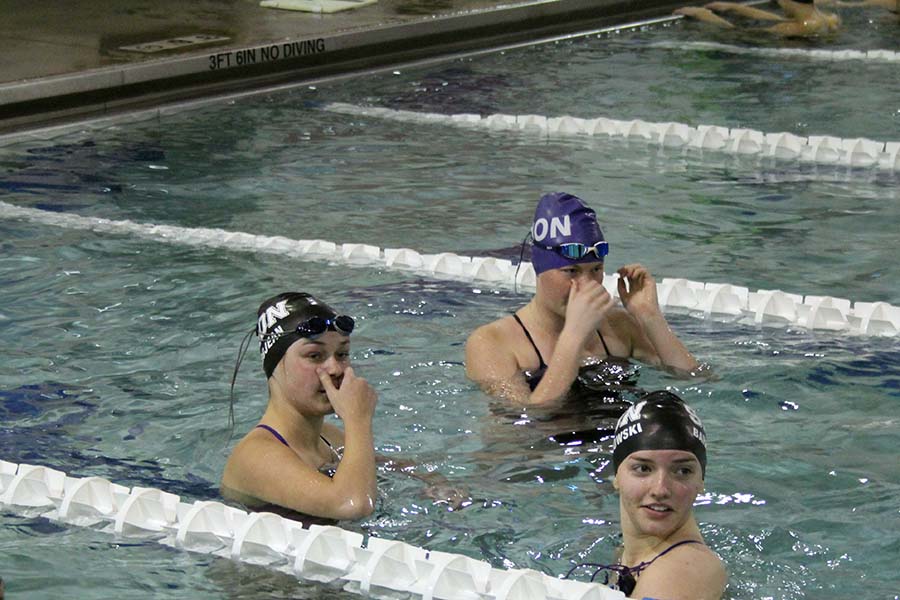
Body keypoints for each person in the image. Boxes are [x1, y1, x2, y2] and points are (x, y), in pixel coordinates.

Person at [465, 192, 702, 408]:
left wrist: (650, 317)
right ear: (539, 268)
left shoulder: (619, 327)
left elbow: (695, 379)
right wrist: (574, 336)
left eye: (596, 269)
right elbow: (526, 421)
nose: (587, 284)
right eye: (571, 271)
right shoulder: (492, 343)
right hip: (551, 453)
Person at [221, 292, 378, 523]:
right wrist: (358, 420)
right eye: (314, 355)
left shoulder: (328, 438)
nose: (335, 369)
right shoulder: (256, 456)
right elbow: (353, 504)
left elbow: (389, 467)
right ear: (274, 366)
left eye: (342, 354)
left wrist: (437, 484)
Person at [568, 390, 727, 599]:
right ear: (616, 475)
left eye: (682, 471)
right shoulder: (627, 554)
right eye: (643, 469)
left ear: (701, 481)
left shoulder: (680, 571)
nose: (660, 489)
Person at [674, 0, 841, 37]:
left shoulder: (801, 27)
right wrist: (737, 8)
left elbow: (741, 33)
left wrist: (705, 16)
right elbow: (776, 20)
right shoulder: (828, 19)